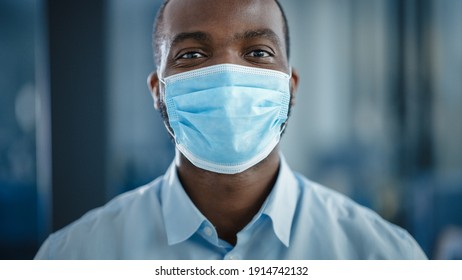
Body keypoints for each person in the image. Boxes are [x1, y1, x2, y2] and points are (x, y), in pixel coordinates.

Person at [35, 0, 427, 259]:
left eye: (258, 52)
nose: (227, 75)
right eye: (191, 54)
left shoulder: (383, 255)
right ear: (159, 91)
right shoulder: (74, 254)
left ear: (290, 86)